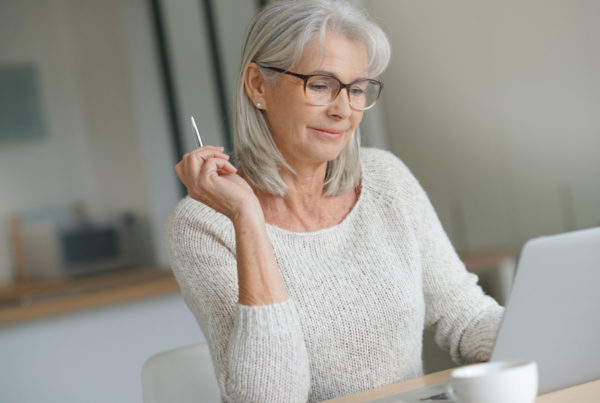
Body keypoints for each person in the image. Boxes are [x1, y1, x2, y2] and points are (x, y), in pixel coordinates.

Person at [166, 0, 503, 402]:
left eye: (357, 89)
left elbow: (467, 316)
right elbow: (269, 397)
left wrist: (538, 338)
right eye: (321, 85)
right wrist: (247, 218)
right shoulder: (202, 225)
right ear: (258, 85)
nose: (343, 110)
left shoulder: (385, 178)